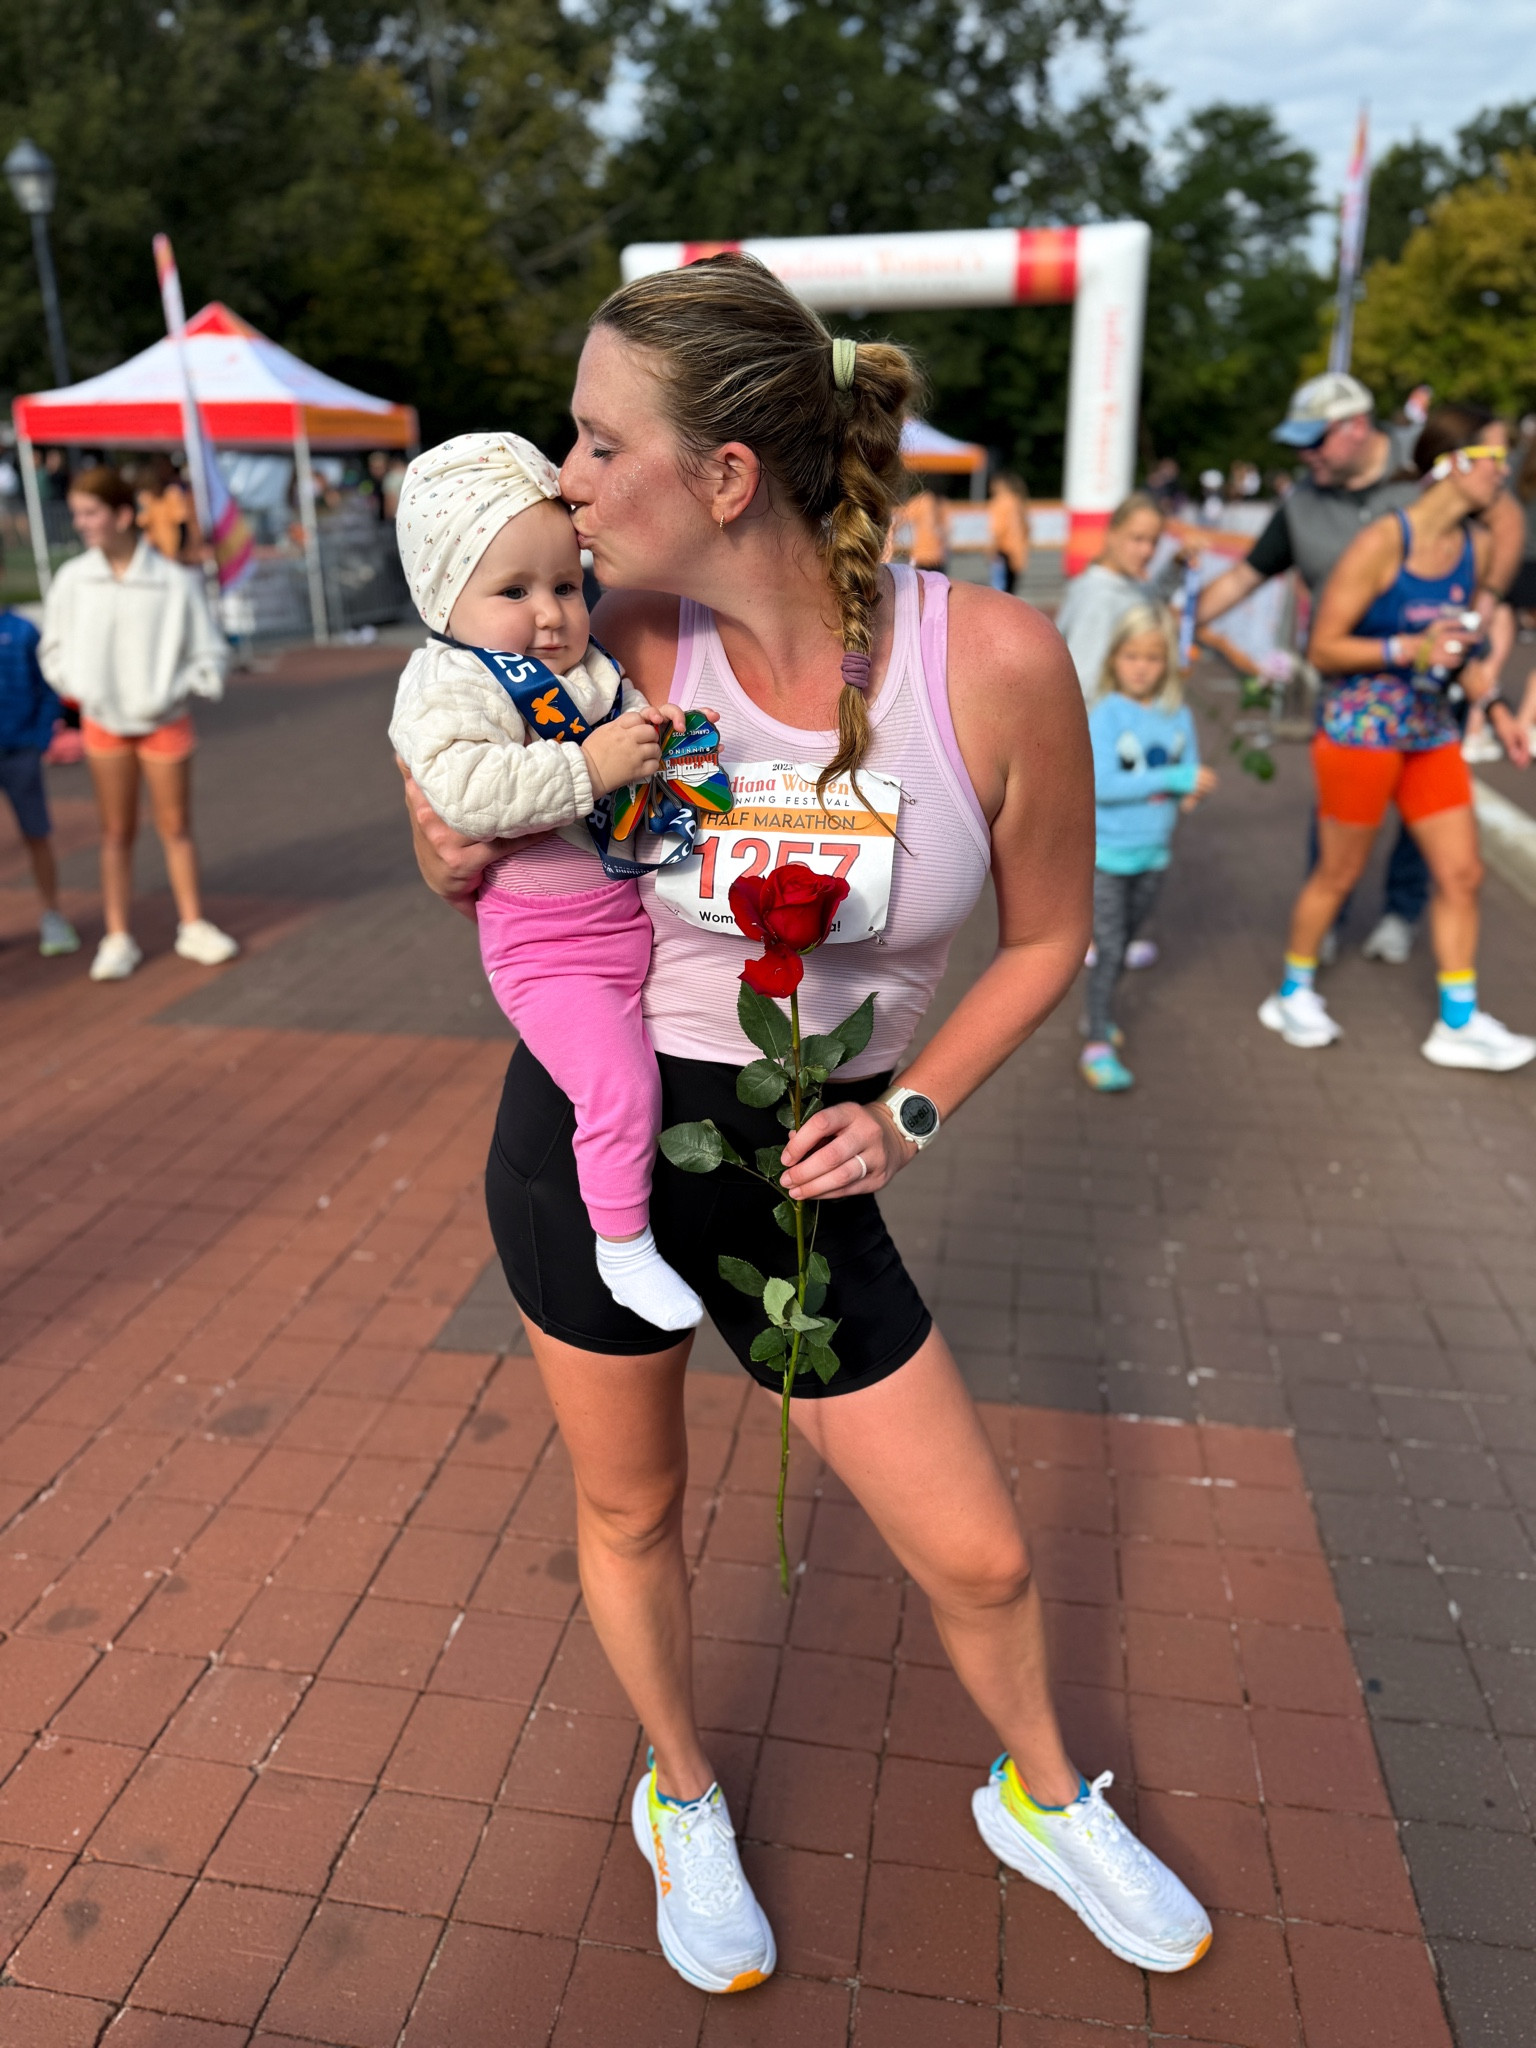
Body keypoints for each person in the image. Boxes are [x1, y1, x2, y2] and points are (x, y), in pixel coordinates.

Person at [401, 254, 1212, 1995]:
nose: (565, 478)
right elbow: (462, 801)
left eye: (597, 439)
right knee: (633, 1509)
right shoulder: (594, 635)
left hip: (800, 1162)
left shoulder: (984, 658)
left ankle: (1040, 1790)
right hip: (593, 1141)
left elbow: (1051, 934)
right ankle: (680, 1791)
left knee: (978, 1546)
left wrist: (908, 1110)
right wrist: (441, 834)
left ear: (724, 476)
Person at [388, 432, 705, 1332]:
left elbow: (624, 716)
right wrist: (593, 769)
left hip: (623, 923)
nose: (552, 614)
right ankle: (622, 1247)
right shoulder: (451, 683)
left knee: (644, 1081)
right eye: (514, 592)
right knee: (619, 1092)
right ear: (446, 597)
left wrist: (655, 732)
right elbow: (465, 791)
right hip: (547, 950)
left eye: (566, 585)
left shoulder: (582, 667)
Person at [1197, 372, 1525, 966]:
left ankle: (1405, 920)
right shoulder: (1310, 506)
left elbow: (1505, 520)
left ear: (1354, 428)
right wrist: (1174, 616)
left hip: (1430, 696)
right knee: (1338, 845)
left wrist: (1485, 609)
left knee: (1439, 848)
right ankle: (1312, 953)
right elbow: (1248, 577)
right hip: (1358, 700)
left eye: (1313, 440)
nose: (1303, 455)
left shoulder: (1433, 468)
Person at [1259, 404, 1533, 1073]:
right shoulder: (1385, 540)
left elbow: (1457, 649)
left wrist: (1494, 707)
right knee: (1339, 872)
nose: (1505, 474)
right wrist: (1406, 645)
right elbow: (1322, 646)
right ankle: (1291, 993)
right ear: (1450, 465)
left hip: (1430, 731)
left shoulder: (1475, 546)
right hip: (1362, 730)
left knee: (1462, 874)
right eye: (1494, 460)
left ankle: (1458, 1024)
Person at [39, 464, 237, 981]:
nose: (81, 523)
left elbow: (209, 653)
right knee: (115, 832)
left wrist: (182, 687)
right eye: (78, 513)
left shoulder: (173, 581)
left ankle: (192, 924)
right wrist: (80, 689)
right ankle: (117, 934)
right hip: (103, 721)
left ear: (123, 515)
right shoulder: (72, 579)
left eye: (91, 512)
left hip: (163, 720)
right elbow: (52, 649)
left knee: (175, 828)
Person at [1080, 604, 1215, 1091]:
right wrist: (1176, 777)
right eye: (1132, 655)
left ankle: (1098, 1011)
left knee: (1125, 944)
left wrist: (1190, 790)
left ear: (1169, 663)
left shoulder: (1178, 714)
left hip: (1154, 854)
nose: (1141, 666)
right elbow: (1100, 782)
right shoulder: (1107, 714)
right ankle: (1097, 1038)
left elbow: (1187, 766)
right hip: (1108, 858)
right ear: (1115, 658)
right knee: (1111, 948)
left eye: (1153, 657)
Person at [0, 599, 79, 957]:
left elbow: (48, 686)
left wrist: (41, 737)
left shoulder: (22, 631)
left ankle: (53, 915)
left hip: (20, 752)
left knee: (36, 834)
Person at [1053, 492, 1184, 705]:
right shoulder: (1098, 599)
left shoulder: (1121, 583)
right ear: (1111, 534)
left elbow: (1150, 596)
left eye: (1154, 542)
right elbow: (1083, 684)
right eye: (1138, 539)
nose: (1147, 551)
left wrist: (1176, 566)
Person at [986, 471, 1030, 593]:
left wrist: (991, 549)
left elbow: (998, 529)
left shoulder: (999, 502)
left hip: (1003, 549)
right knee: (1011, 590)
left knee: (999, 591)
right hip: (1017, 550)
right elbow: (1027, 528)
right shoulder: (1018, 501)